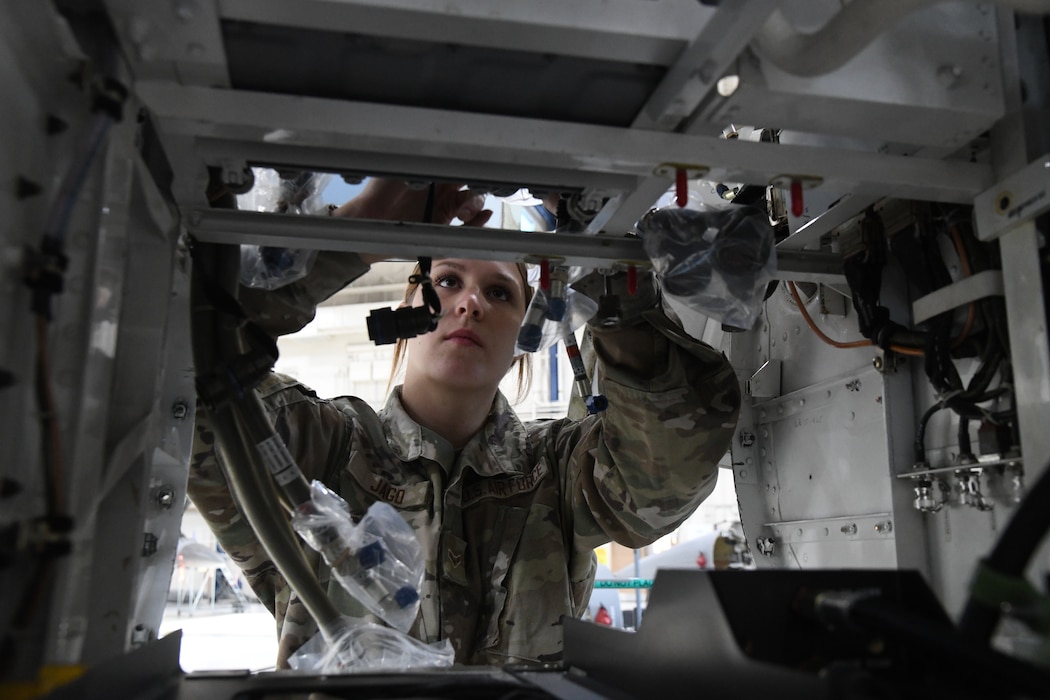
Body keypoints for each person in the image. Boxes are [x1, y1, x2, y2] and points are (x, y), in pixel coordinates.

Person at [187, 178, 741, 668]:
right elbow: (182, 378)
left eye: (499, 292)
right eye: (449, 281)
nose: (470, 303)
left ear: (526, 337)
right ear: (409, 313)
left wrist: (606, 274)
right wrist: (356, 236)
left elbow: (667, 468)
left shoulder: (558, 471)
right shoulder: (321, 450)